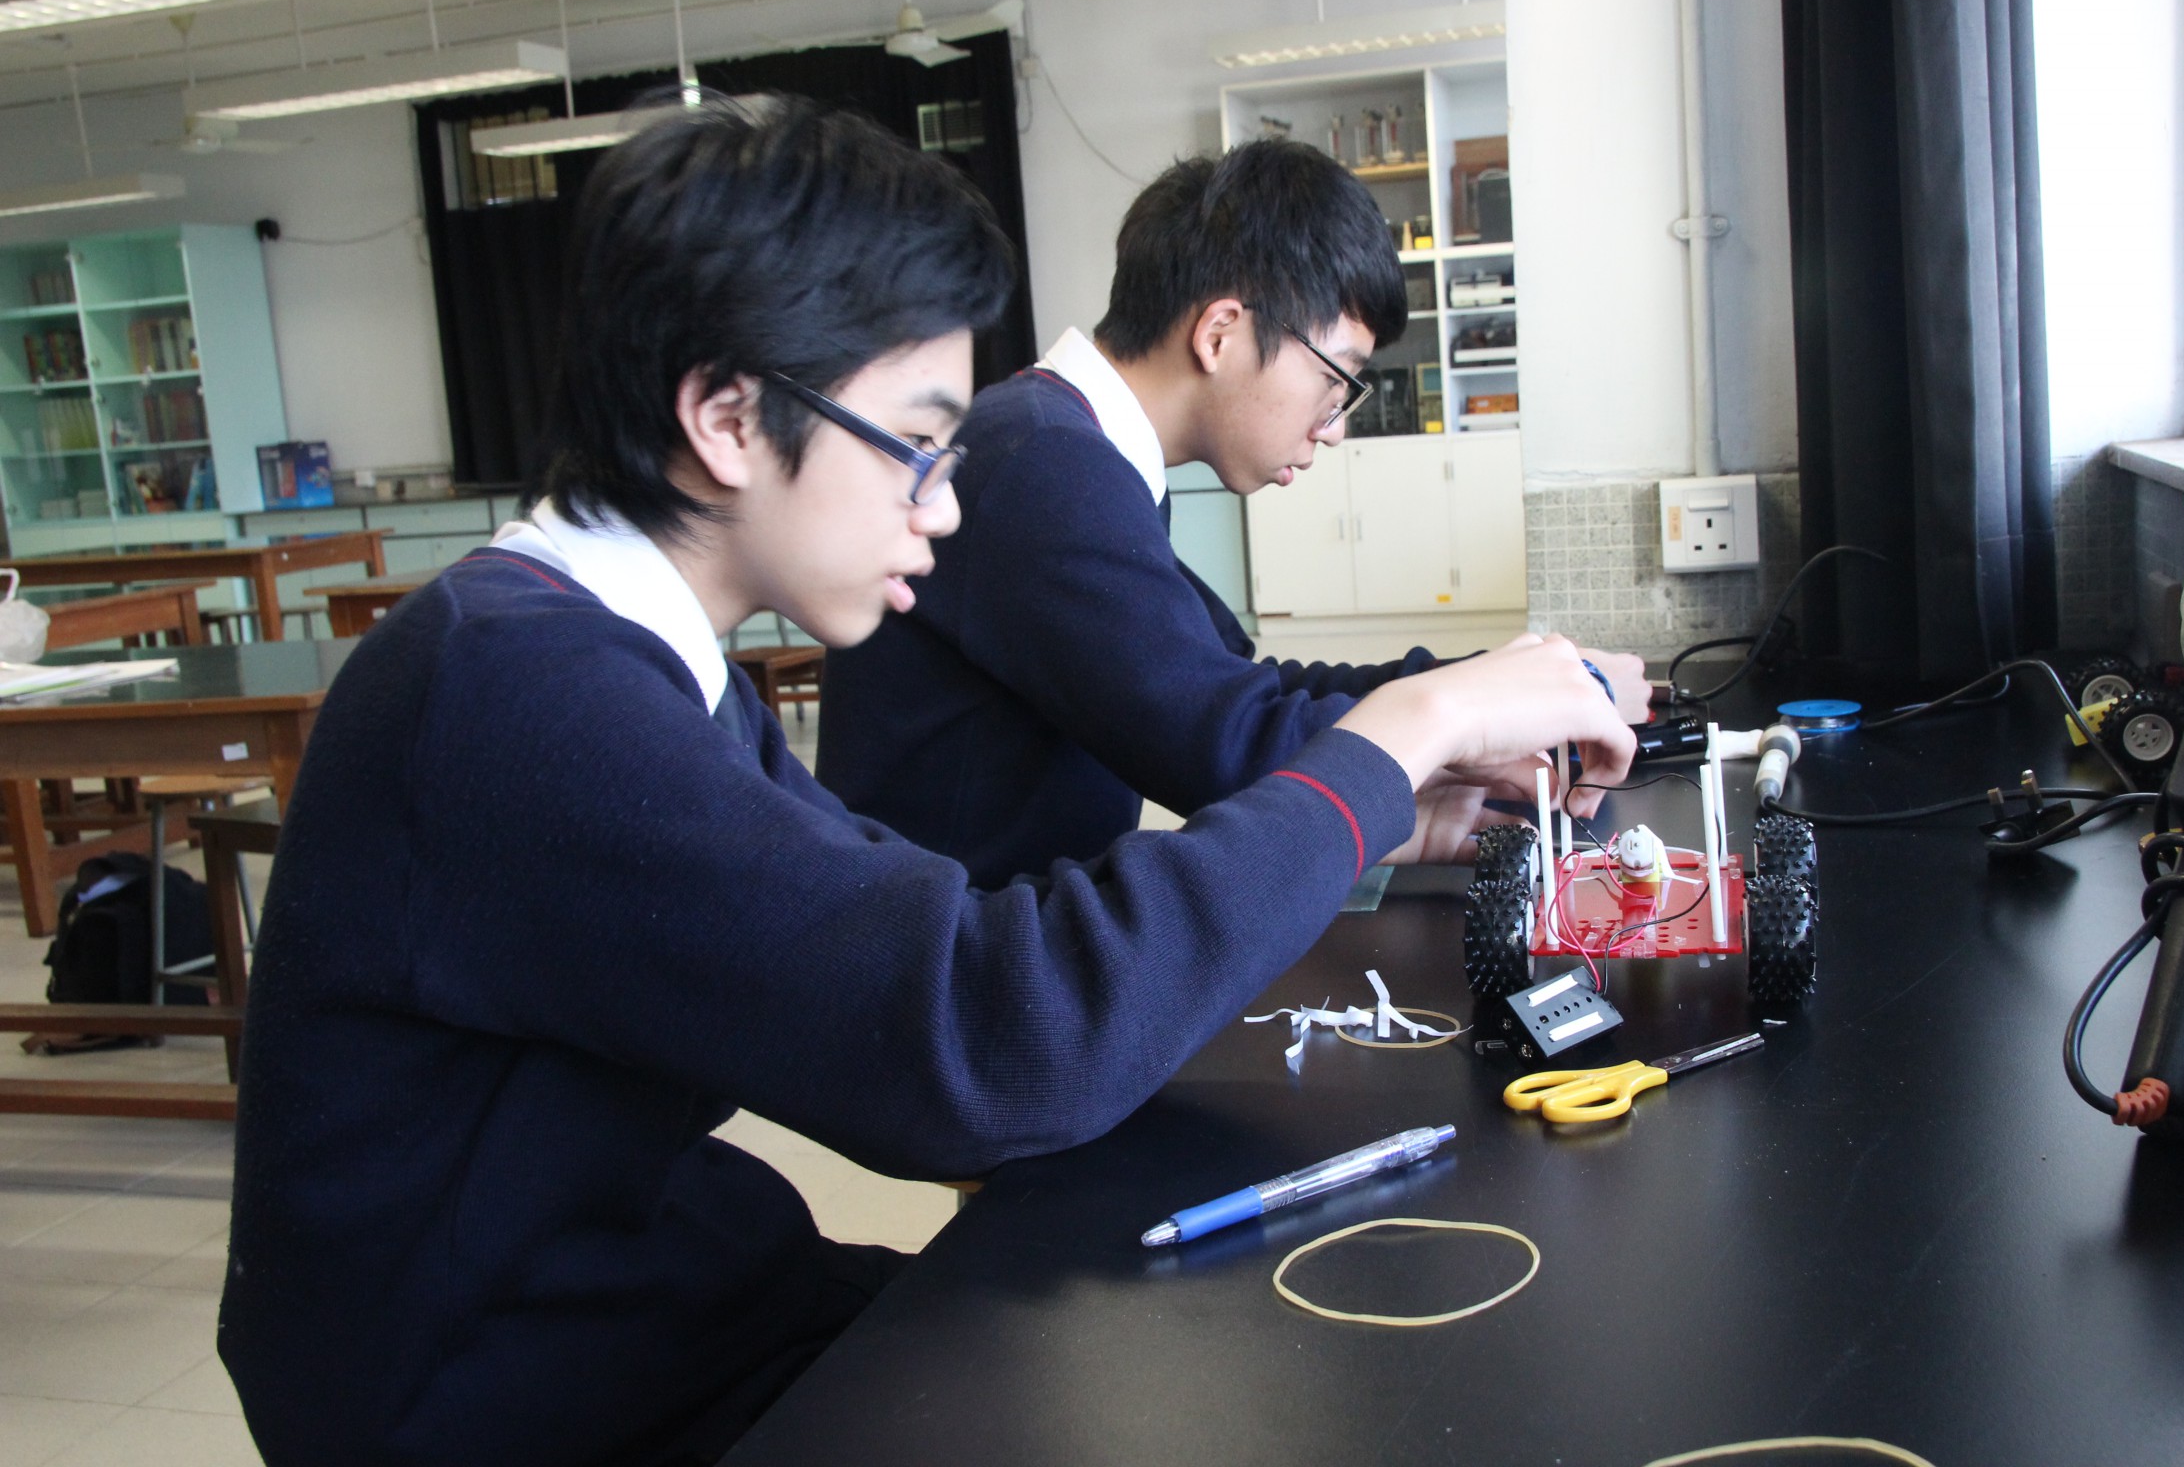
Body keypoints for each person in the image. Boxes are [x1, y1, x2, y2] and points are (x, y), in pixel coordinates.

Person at [217, 97, 1632, 1467]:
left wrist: (1395, 798)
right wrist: (1399, 738)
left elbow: (931, 953)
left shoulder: (619, 654)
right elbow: (985, 1040)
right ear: (725, 416)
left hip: (646, 1290)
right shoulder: (520, 691)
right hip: (501, 1395)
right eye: (915, 444)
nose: (946, 504)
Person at [816, 139, 1649, 889]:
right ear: (1220, 332)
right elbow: (1226, 747)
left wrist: (1502, 681)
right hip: (961, 966)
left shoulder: (1074, 445)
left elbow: (1241, 687)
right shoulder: (1044, 461)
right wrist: (1475, 708)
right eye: (1336, 377)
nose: (1335, 424)